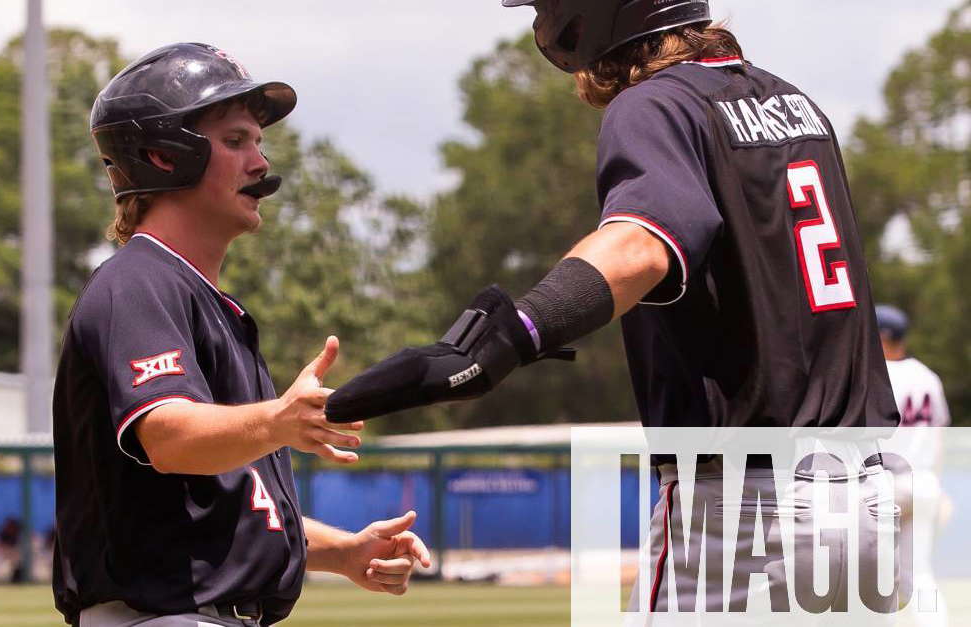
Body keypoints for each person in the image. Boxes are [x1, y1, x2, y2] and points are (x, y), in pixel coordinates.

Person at [326, 0, 900, 616]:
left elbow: (641, 242)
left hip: (746, 512)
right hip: (870, 498)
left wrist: (514, 334)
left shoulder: (656, 103)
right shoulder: (797, 105)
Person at [52, 43, 430, 627]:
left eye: (257, 142)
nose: (260, 163)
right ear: (162, 155)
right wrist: (278, 421)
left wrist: (344, 553)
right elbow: (170, 437)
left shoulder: (205, 304)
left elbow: (227, 504)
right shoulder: (138, 283)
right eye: (235, 141)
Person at [877, 304, 951, 625]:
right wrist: (939, 488)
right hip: (923, 484)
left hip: (883, 486)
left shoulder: (873, 375)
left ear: (879, 337)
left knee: (877, 578)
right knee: (919, 575)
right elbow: (939, 439)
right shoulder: (928, 377)